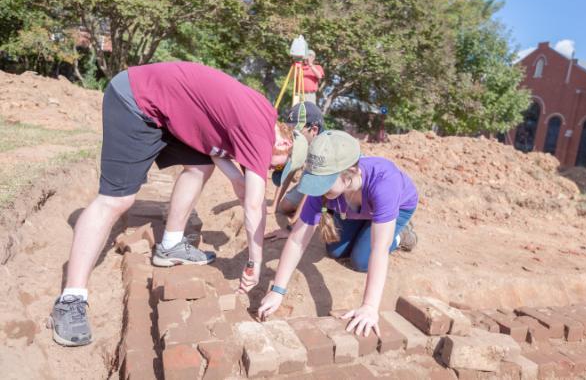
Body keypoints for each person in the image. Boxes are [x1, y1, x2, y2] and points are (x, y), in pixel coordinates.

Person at [50, 61, 293, 347]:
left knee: (199, 166)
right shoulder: (259, 134)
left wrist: (239, 184)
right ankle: (71, 298)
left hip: (165, 107)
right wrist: (255, 262)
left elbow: (223, 158)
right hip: (136, 99)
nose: (269, 170)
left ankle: (171, 245)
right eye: (277, 168)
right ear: (284, 146)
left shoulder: (260, 116)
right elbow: (253, 206)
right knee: (116, 199)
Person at [258, 131, 418, 336]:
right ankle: (367, 227)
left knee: (361, 260)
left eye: (323, 184)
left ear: (349, 173)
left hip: (395, 206)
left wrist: (369, 307)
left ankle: (400, 234)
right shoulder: (328, 188)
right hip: (355, 206)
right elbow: (297, 241)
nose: (318, 190)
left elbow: (379, 249)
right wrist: (277, 291)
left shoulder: (385, 181)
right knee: (336, 249)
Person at [274, 102, 325, 216]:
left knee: (323, 209)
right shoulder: (301, 143)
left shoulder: (322, 150)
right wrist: (275, 205)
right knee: (284, 206)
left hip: (335, 185)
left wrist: (292, 224)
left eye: (297, 132)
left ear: (314, 130)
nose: (293, 135)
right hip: (311, 178)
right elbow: (290, 171)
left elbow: (310, 190)